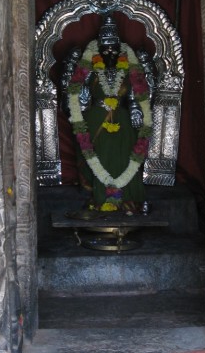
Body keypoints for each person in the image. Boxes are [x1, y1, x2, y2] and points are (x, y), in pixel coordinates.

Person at [65, 15, 152, 213]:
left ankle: (127, 198)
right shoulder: (91, 69)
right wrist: (82, 101)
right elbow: (79, 95)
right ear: (99, 50)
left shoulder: (128, 68)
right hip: (96, 117)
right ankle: (100, 196)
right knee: (98, 153)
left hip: (122, 117)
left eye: (114, 48)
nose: (110, 52)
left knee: (125, 153)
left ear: (120, 49)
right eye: (106, 49)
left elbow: (135, 94)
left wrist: (136, 110)